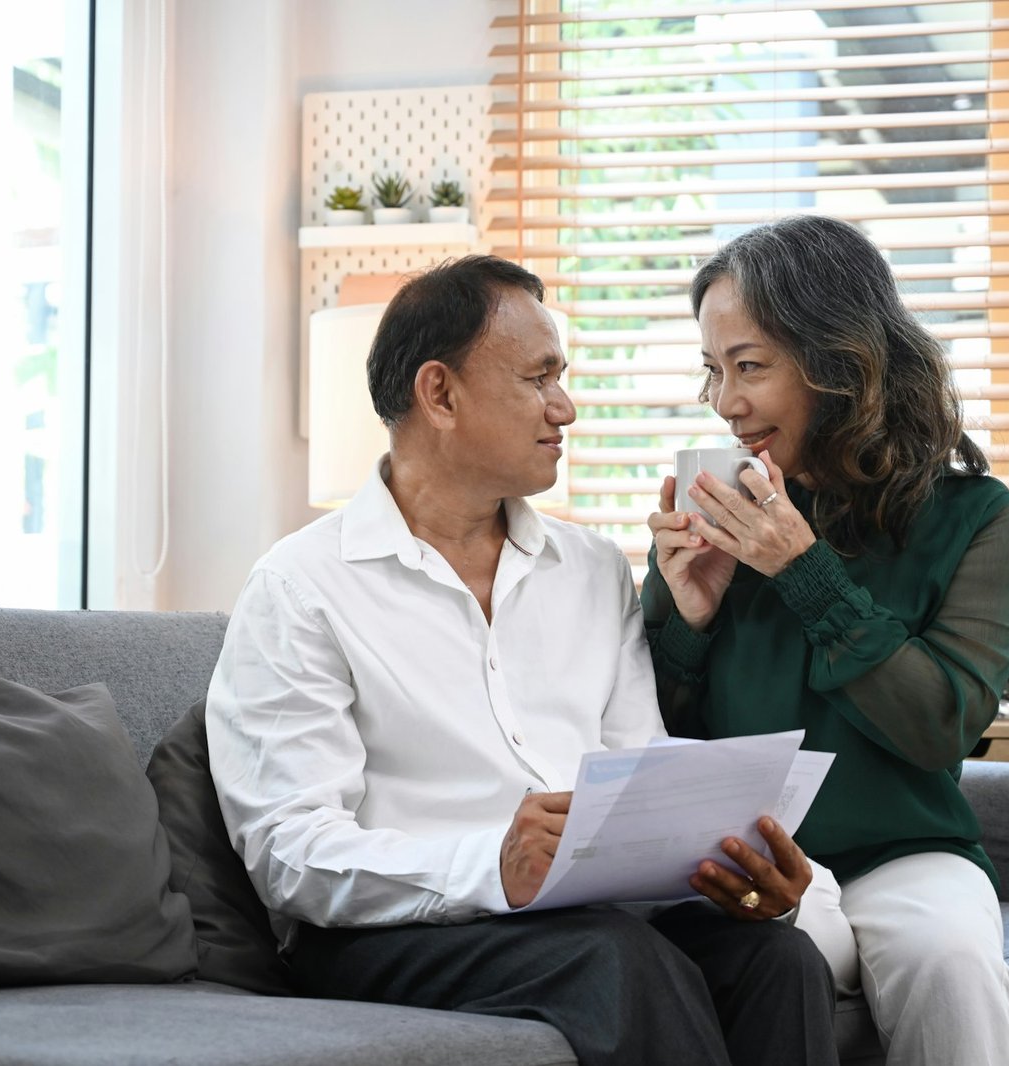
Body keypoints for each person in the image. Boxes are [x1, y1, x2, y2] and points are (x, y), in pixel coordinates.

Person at [207, 255, 838, 1066]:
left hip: (585, 921)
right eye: (540, 379)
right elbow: (288, 850)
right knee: (616, 960)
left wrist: (735, 862)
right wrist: (492, 867)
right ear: (440, 394)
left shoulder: (593, 566)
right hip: (394, 936)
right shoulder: (300, 587)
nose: (566, 408)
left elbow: (634, 762)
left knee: (778, 959)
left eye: (562, 378)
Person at [643, 215, 1009, 1066]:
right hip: (748, 862)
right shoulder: (711, 514)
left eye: (750, 367)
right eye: (714, 370)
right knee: (788, 957)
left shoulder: (974, 518)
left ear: (838, 361)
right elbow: (644, 738)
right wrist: (689, 622)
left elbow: (941, 725)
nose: (725, 403)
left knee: (955, 966)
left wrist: (805, 572)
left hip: (907, 855)